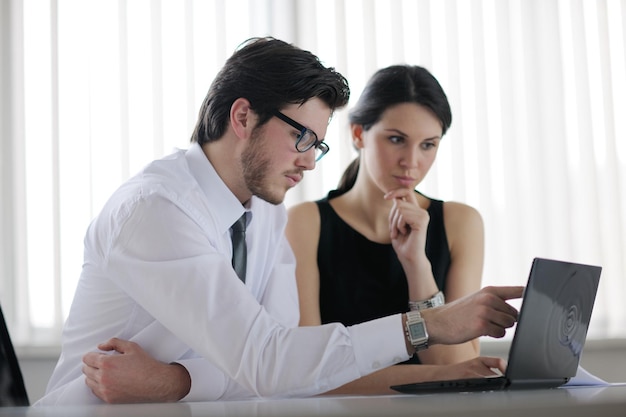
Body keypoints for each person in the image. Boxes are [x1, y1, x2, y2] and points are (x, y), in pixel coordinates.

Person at [35, 37, 522, 406]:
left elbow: (286, 362)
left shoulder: (264, 213)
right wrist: (428, 324)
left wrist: (174, 380)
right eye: (302, 139)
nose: (310, 164)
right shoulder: (156, 209)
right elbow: (268, 363)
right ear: (243, 117)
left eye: (318, 145)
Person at [285, 65, 487, 395]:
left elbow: (456, 366)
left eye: (428, 145)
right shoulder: (305, 223)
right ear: (358, 134)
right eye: (396, 139)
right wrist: (432, 378)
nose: (411, 161)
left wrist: (417, 266)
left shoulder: (460, 223)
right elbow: (308, 372)